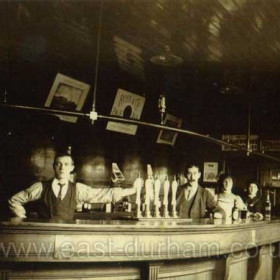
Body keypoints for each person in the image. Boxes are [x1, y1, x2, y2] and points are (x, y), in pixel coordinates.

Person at [9, 152, 140, 220]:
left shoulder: (77, 189)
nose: (62, 167)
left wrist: (132, 190)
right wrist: (23, 221)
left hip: (67, 237)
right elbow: (14, 201)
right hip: (43, 238)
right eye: (58, 164)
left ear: (71, 167)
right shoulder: (41, 187)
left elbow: (102, 195)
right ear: (54, 166)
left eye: (66, 164)